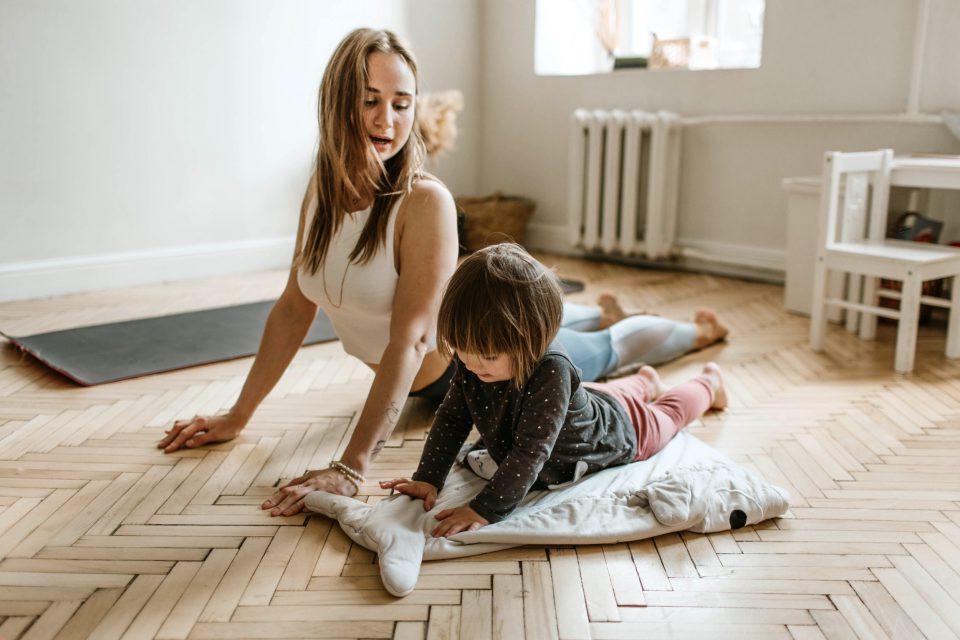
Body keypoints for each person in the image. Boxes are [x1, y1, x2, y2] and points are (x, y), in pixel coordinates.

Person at [157, 28, 727, 516]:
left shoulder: (423, 201)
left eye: (402, 103)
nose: (388, 119)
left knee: (604, 349)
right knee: (585, 338)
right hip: (463, 356)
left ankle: (694, 336)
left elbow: (410, 340)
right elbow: (291, 309)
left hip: (491, 366)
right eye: (370, 100)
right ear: (336, 102)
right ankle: (606, 332)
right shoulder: (321, 193)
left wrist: (351, 467)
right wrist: (238, 414)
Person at [380, 244, 727, 536]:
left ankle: (709, 383)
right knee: (606, 395)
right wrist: (428, 477)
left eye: (486, 356)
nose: (471, 364)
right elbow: (453, 418)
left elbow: (531, 452)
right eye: (462, 351)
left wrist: (484, 509)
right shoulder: (475, 361)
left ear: (531, 340)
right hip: (588, 401)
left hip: (619, 430)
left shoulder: (552, 370)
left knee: (668, 413)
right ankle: (646, 380)